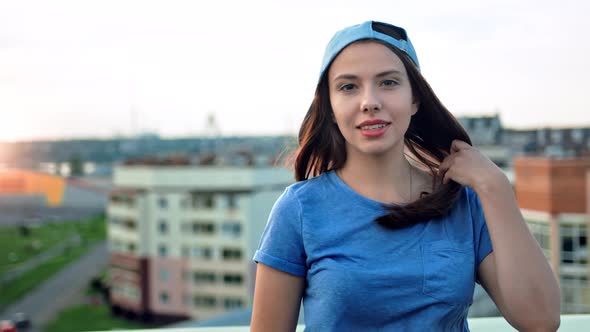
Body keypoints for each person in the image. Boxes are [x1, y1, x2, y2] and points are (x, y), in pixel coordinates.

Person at [251, 20, 560, 331]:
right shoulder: (299, 209)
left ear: (415, 99)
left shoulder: (463, 202)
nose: (370, 101)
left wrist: (496, 187)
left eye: (388, 82)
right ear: (330, 107)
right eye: (348, 86)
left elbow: (541, 320)